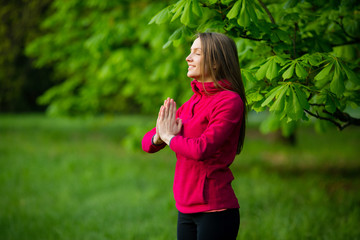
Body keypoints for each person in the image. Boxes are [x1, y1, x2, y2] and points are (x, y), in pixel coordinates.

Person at [142, 32, 247, 240]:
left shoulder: (229, 101)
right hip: (185, 209)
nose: (187, 58)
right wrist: (159, 136)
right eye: (190, 52)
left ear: (216, 62)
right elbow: (147, 143)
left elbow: (201, 149)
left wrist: (169, 137)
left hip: (215, 210)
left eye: (196, 53)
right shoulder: (192, 103)